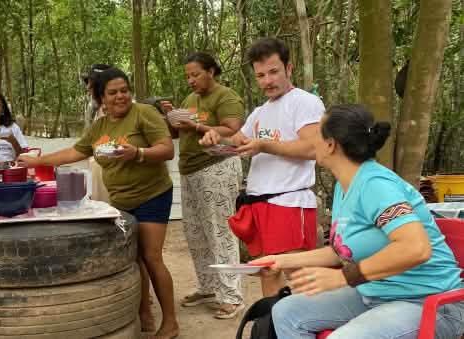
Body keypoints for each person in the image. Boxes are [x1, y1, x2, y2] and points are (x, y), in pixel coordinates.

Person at [255, 104, 464, 338]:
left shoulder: (375, 185)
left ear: (331, 144)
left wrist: (343, 277)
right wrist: (279, 261)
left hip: (428, 302)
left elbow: (417, 248)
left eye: (317, 134)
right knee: (286, 312)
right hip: (375, 292)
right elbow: (340, 251)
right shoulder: (344, 186)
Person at [18, 68, 179, 339]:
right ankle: (144, 314)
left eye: (124, 90)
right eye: (113, 93)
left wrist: (137, 153)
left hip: (152, 194)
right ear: (102, 99)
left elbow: (167, 149)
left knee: (151, 257)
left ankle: (171, 322)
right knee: (134, 257)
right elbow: (74, 152)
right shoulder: (100, 126)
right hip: (120, 199)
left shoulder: (144, 113)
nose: (120, 97)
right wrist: (37, 161)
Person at [200, 37, 325, 297]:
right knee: (268, 272)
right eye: (260, 75)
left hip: (290, 202)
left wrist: (264, 146)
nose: (267, 81)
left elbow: (313, 148)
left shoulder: (305, 102)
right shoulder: (260, 112)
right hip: (260, 206)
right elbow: (239, 141)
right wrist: (215, 138)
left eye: (273, 72)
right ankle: (272, 326)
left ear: (289, 69)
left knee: (300, 277)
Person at [159, 52, 245, 318]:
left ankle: (232, 296)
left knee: (220, 231)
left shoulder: (226, 96)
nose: (190, 80)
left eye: (195, 74)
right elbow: (179, 132)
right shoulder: (191, 99)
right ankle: (208, 287)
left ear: (211, 71)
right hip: (190, 169)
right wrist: (171, 117)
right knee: (196, 233)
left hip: (217, 167)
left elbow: (231, 129)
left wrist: (194, 125)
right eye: (188, 76)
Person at [83, 63, 112, 202]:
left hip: (110, 172)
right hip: (97, 168)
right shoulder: (94, 108)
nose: (88, 88)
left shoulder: (116, 109)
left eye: (91, 83)